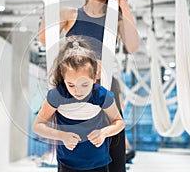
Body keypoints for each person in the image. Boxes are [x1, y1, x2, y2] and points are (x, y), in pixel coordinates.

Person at [38, 0, 140, 171]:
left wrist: (123, 3)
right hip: (74, 86)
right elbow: (44, 38)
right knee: (73, 142)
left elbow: (133, 46)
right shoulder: (69, 14)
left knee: (113, 143)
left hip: (105, 83)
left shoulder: (116, 21)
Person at [32, 36, 125, 172]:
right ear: (63, 79)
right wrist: (61, 136)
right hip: (68, 163)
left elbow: (119, 122)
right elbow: (37, 126)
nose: (78, 91)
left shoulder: (101, 95)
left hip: (98, 163)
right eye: (71, 84)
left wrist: (103, 132)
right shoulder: (57, 96)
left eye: (84, 84)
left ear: (94, 78)